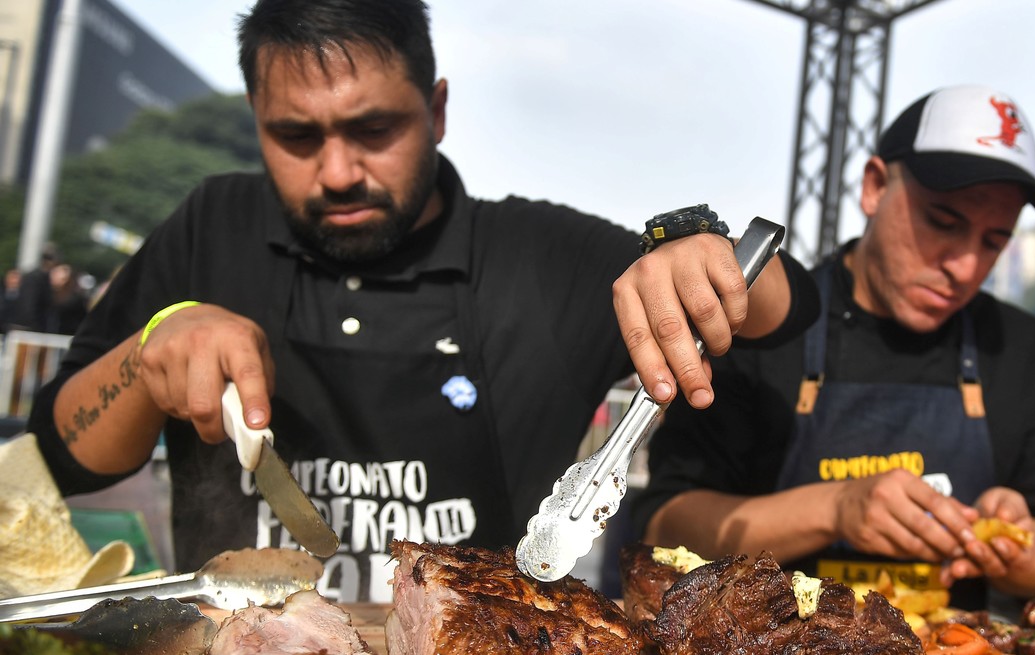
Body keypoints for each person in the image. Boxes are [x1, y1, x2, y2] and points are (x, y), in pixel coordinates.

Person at [27, 0, 814, 603]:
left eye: (374, 129)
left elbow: (788, 314)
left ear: (436, 110)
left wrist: (699, 250)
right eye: (297, 136)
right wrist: (148, 353)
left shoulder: (540, 256)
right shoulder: (213, 229)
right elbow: (65, 459)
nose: (337, 171)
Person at [633, 85, 1035, 611]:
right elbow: (664, 525)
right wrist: (838, 508)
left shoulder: (1015, 343)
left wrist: (1014, 544)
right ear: (874, 186)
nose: (963, 267)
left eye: (993, 241)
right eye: (943, 222)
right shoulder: (774, 324)